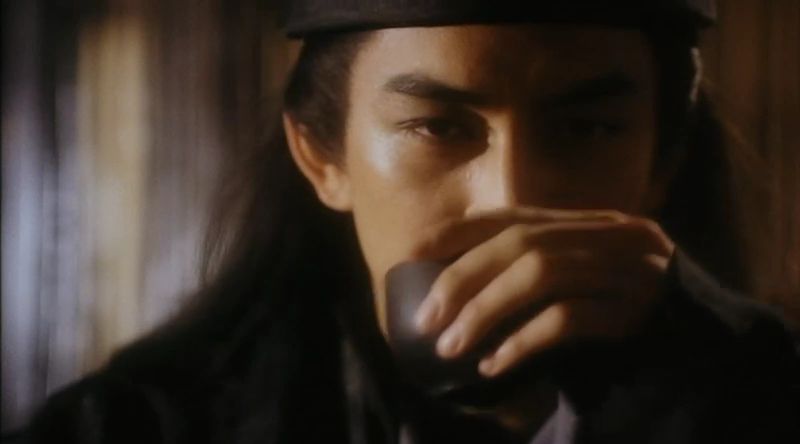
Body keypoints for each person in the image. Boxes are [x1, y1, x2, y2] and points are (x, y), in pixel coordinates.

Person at [7, 1, 800, 443]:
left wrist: (719, 383)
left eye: (586, 129)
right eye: (437, 127)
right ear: (324, 158)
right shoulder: (129, 430)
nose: (508, 196)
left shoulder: (762, 397)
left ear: (661, 163)